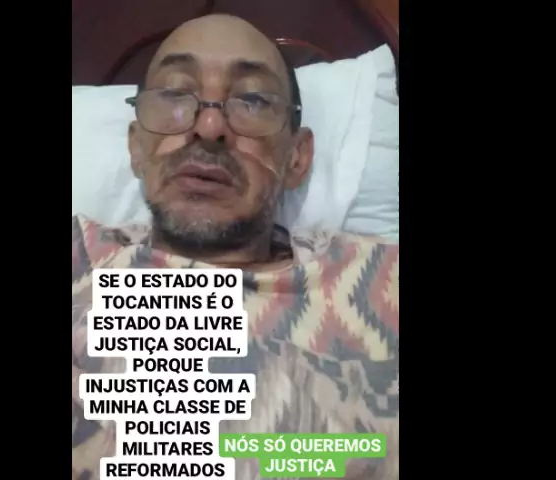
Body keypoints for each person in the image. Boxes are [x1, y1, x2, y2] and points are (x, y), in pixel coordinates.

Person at [72, 13, 398, 480]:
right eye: (175, 94)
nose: (209, 127)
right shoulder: (81, 256)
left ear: (297, 158)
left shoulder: (383, 280)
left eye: (252, 100)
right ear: (136, 147)